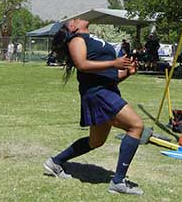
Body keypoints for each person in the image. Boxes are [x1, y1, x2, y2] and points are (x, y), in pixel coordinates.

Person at [44, 17, 144, 195]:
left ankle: (55, 162)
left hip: (107, 91)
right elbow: (82, 65)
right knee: (136, 125)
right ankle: (118, 181)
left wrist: (127, 72)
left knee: (95, 141)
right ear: (73, 27)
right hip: (97, 94)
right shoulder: (77, 39)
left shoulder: (92, 39)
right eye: (75, 19)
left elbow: (110, 77)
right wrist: (114, 63)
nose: (80, 17)